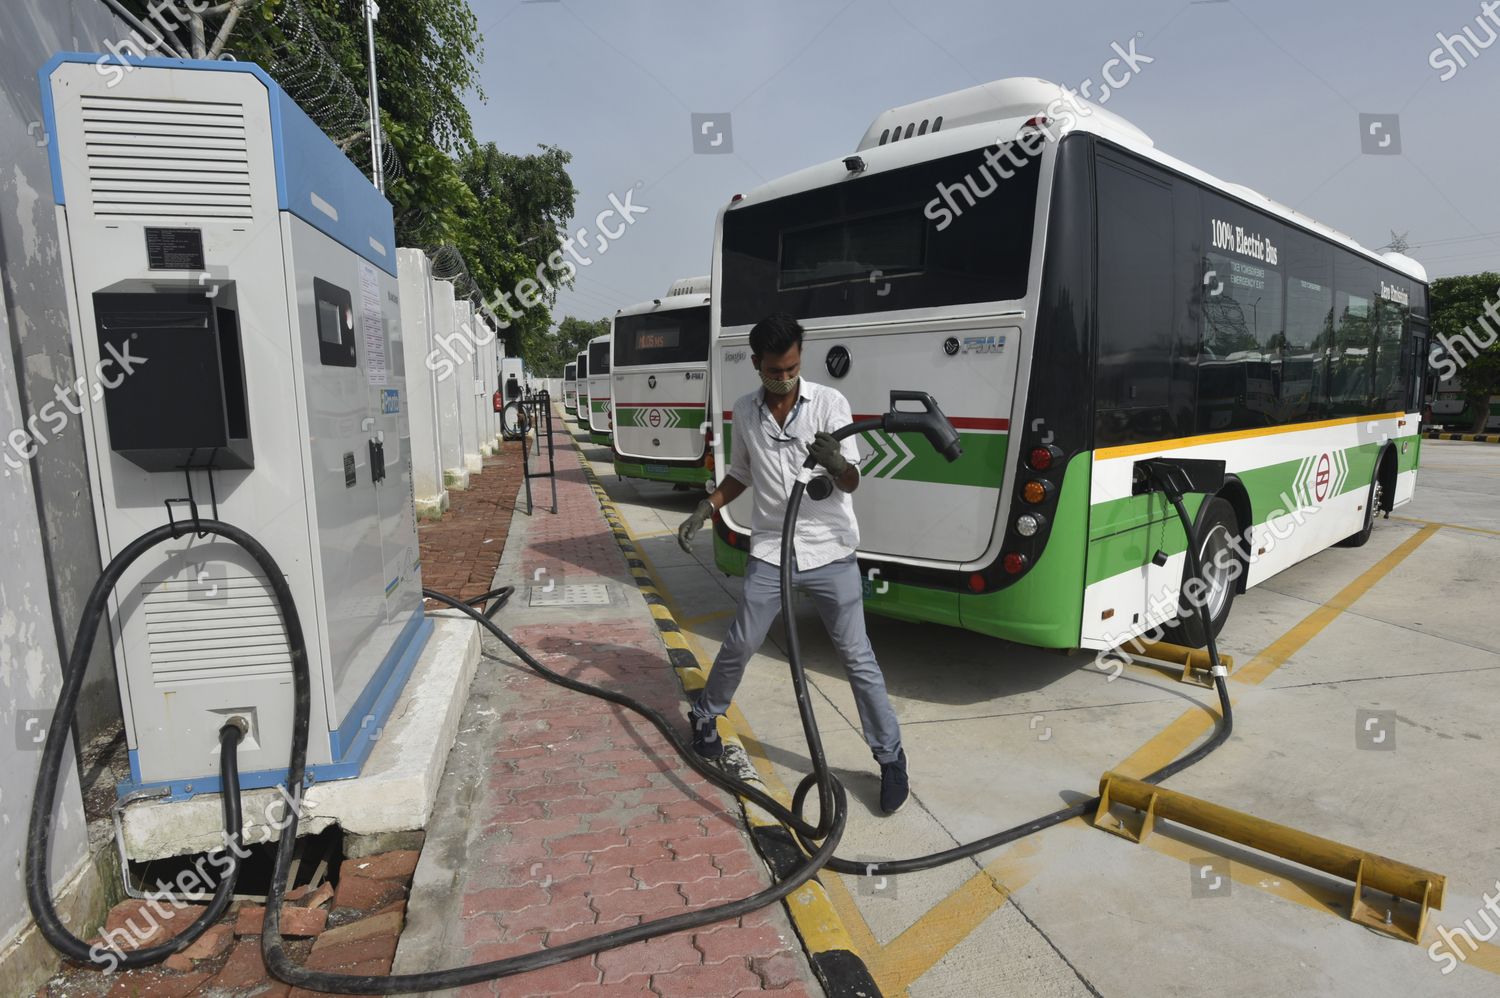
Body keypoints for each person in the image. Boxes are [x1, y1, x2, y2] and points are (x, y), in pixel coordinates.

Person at [677, 313, 909, 814]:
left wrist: (838, 463)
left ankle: (890, 758)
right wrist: (708, 506)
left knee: (857, 657)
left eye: (793, 366)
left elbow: (852, 482)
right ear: (757, 363)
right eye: (775, 368)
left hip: (829, 549)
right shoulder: (745, 411)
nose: (785, 376)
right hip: (772, 550)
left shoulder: (829, 403)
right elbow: (741, 473)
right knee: (741, 639)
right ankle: (704, 716)